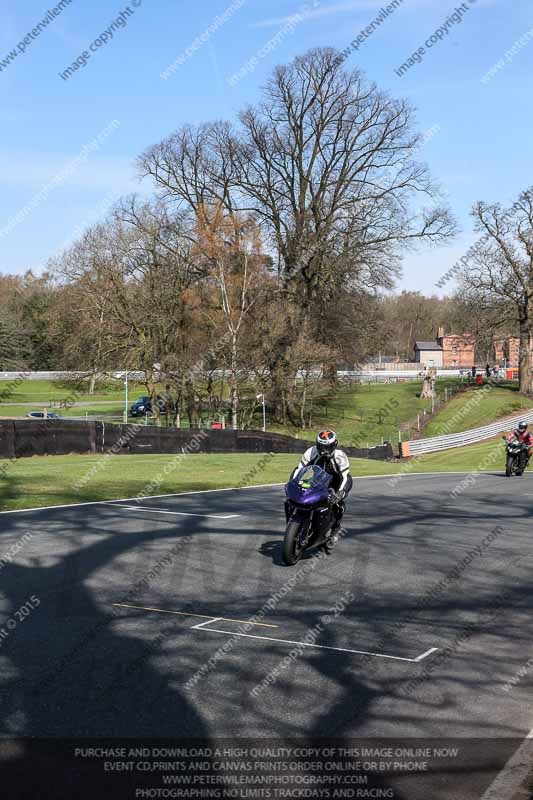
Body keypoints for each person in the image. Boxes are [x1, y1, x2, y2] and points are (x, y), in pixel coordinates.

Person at [290, 430, 353, 537]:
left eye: (327, 447)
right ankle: (293, 520)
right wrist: (293, 483)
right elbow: (299, 469)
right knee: (291, 498)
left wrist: (340, 493)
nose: (324, 451)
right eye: (321, 447)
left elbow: (346, 477)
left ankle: (335, 527)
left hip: (335, 483)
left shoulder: (340, 457)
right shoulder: (311, 452)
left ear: (334, 445)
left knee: (339, 506)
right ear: (317, 444)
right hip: (316, 480)